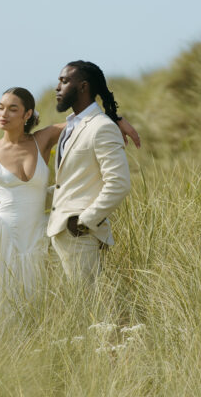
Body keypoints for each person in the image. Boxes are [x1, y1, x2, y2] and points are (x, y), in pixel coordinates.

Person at [0, 86, 138, 317]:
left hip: (38, 234)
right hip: (0, 235)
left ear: (27, 114)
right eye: (0, 108)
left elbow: (86, 123)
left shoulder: (43, 139)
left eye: (12, 109)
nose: (3, 114)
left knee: (38, 305)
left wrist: (117, 120)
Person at [47, 61, 132, 285]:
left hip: (81, 235)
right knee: (77, 311)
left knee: (89, 311)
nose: (57, 87)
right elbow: (70, 181)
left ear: (83, 86)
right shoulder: (72, 126)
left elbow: (119, 183)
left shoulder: (101, 127)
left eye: (64, 82)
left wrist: (85, 221)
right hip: (61, 233)